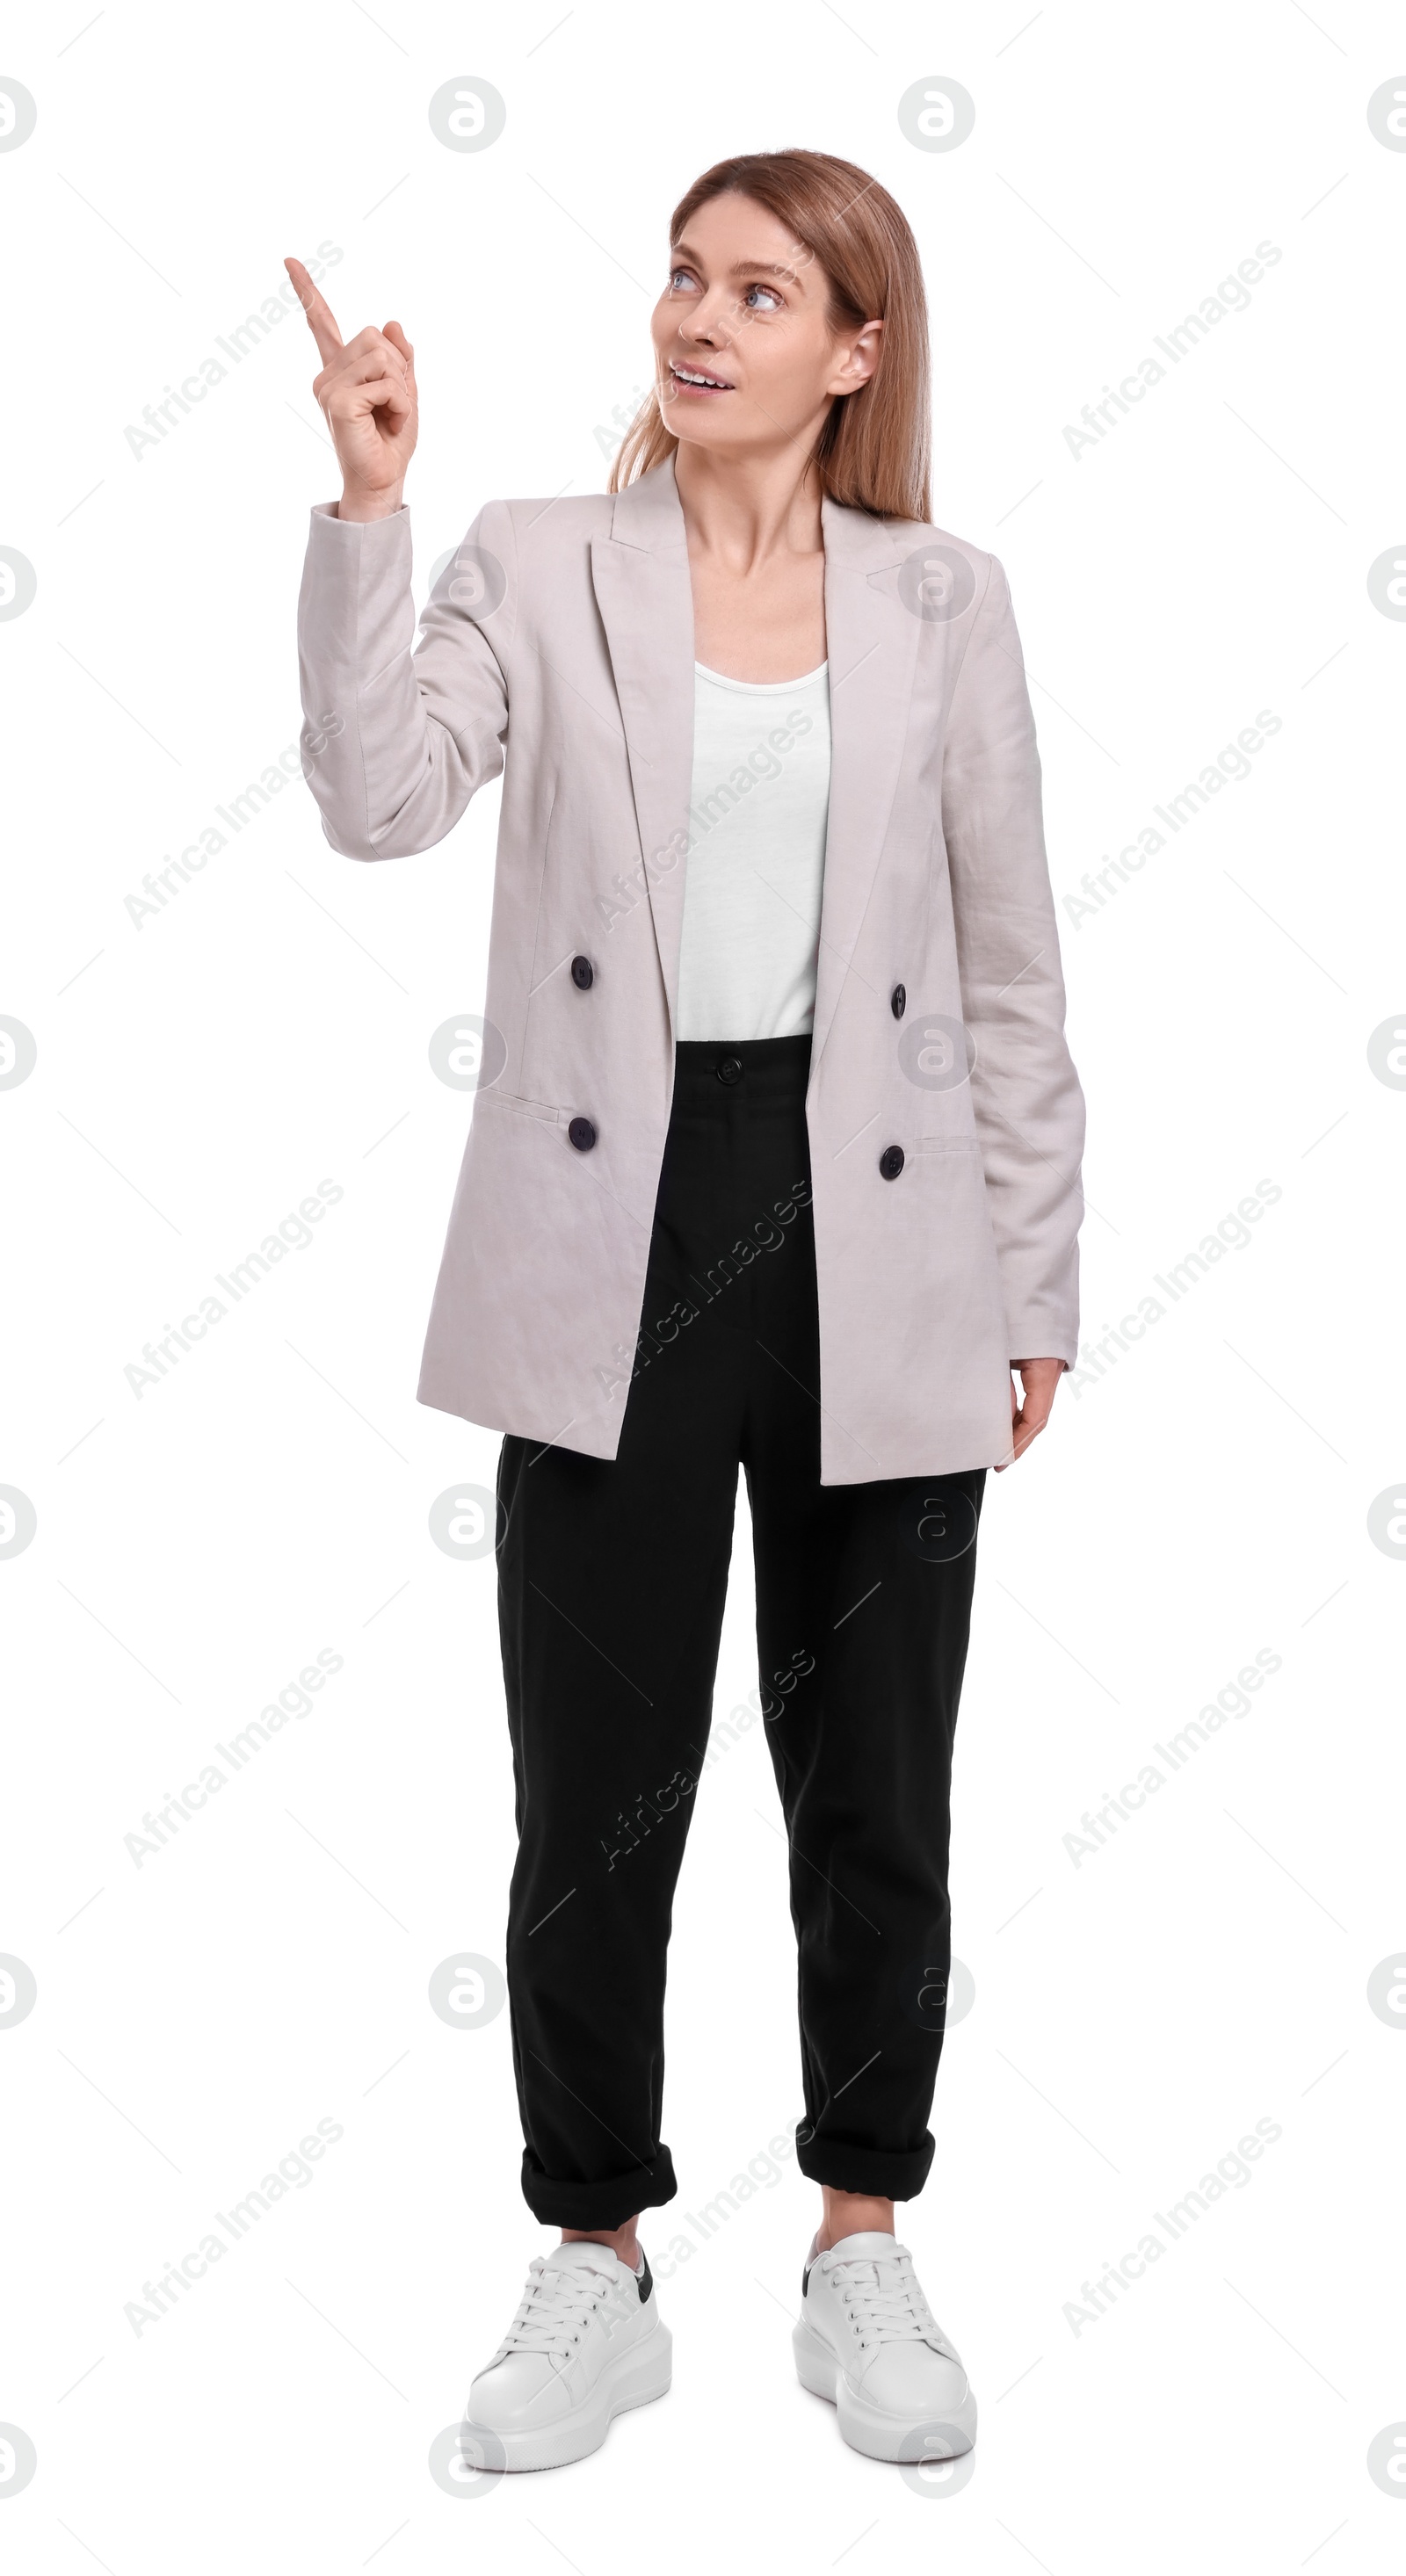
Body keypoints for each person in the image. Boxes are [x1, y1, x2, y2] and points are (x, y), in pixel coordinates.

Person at [290, 145, 1085, 2473]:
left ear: (855, 350)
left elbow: (1018, 963)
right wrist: (365, 513)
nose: (695, 317)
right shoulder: (537, 560)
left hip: (888, 1219)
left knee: (880, 1778)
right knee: (598, 1780)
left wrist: (1037, 1276)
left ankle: (861, 2236)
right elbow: (375, 795)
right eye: (680, 276)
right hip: (612, 1221)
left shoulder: (947, 599)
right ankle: (594, 2255)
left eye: (759, 289)